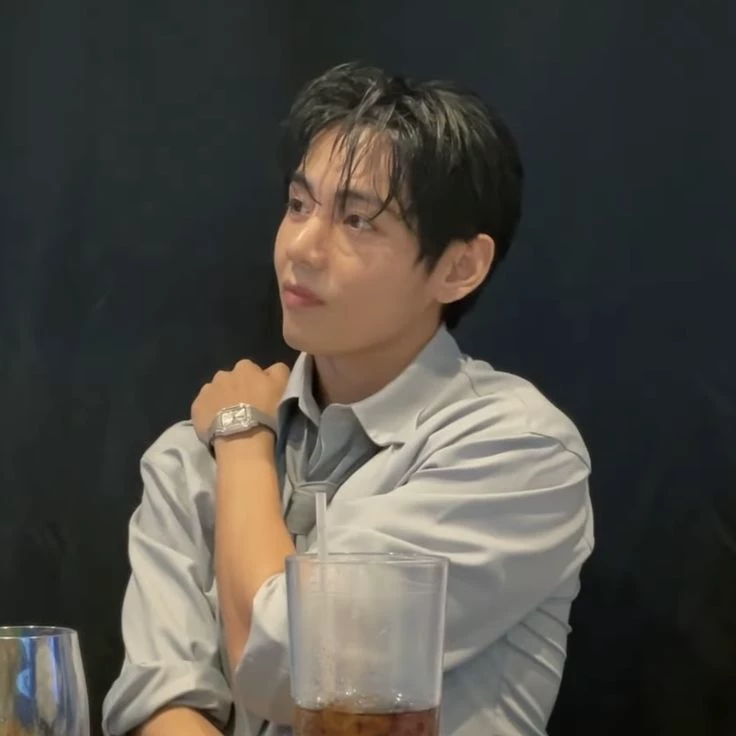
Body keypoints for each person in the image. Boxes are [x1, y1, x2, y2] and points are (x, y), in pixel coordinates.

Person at [102, 62, 594, 736]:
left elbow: (297, 665)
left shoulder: (518, 451)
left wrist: (244, 440)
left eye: (358, 220)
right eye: (298, 205)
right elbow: (161, 700)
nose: (301, 248)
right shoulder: (190, 455)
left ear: (459, 268)